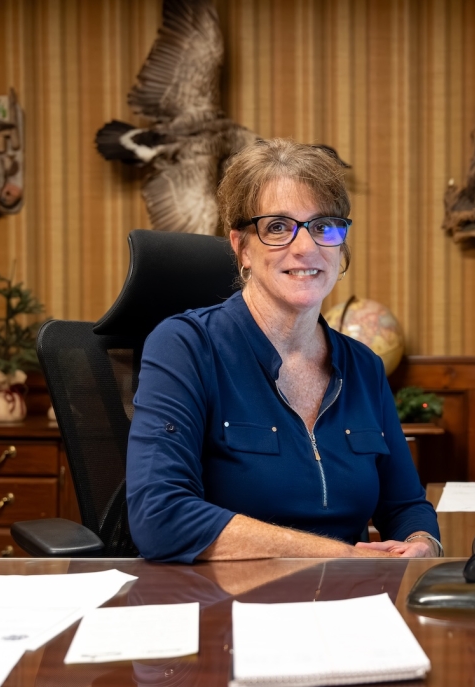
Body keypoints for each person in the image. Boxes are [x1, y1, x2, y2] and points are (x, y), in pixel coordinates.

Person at [126, 138, 440, 563]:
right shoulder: (186, 347)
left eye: (323, 226)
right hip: (225, 598)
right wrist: (339, 556)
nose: (305, 247)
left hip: (350, 594)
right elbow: (160, 516)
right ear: (241, 247)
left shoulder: (363, 365)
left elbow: (405, 505)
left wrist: (421, 543)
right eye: (277, 227)